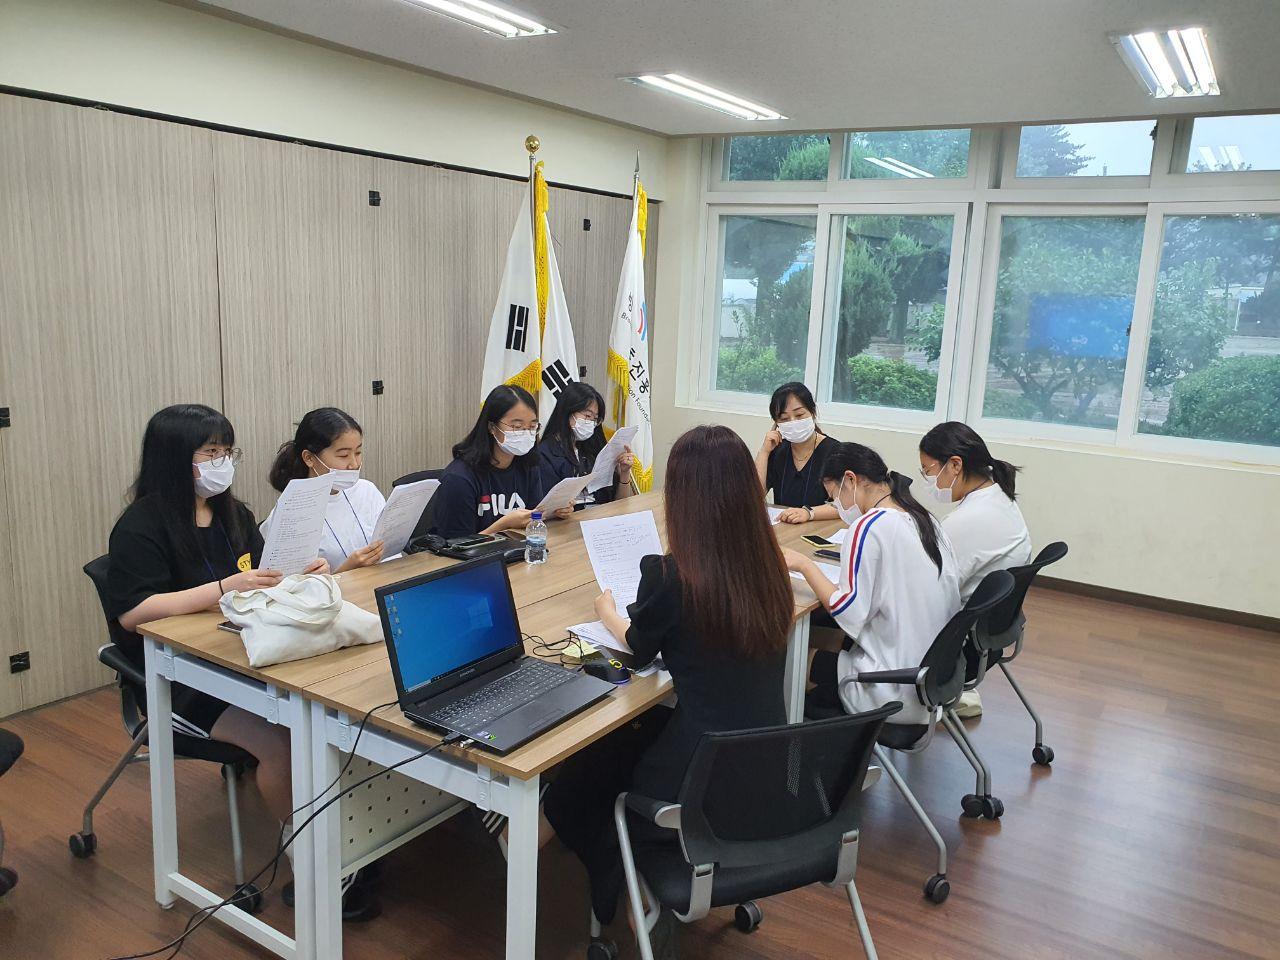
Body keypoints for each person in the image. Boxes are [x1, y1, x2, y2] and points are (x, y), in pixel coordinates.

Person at [544, 425, 794, 953]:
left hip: (695, 770)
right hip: (759, 760)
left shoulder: (674, 576)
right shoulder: (770, 566)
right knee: (628, 736)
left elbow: (638, 646)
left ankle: (623, 888)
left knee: (572, 789)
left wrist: (608, 615)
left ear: (683, 498)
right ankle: (635, 879)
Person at [106, 405, 324, 826]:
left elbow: (263, 574)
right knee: (282, 744)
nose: (223, 462)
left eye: (227, 451)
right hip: (175, 678)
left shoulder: (232, 513)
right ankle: (311, 864)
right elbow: (134, 613)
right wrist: (223, 589)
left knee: (321, 723)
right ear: (174, 458)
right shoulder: (142, 524)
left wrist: (300, 569)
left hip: (238, 655)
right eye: (210, 453)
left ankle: (339, 846)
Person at [784, 442, 960, 727]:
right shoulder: (922, 518)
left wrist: (803, 564)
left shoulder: (869, 527)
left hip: (888, 688)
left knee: (787, 658)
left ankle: (793, 757)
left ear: (851, 480)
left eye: (834, 497)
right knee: (813, 636)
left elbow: (847, 612)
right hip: (932, 681)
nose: (837, 506)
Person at [919, 421, 1031, 718]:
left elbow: (925, 588)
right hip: (985, 638)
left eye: (929, 471)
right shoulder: (999, 498)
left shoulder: (969, 519)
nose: (929, 481)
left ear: (955, 465)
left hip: (953, 650)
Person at [430, 385, 572, 540]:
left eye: (532, 427)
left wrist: (555, 511)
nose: (525, 433)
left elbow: (533, 519)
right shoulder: (459, 478)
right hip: (477, 561)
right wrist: (504, 524)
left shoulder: (528, 465)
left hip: (517, 553)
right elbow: (454, 547)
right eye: (517, 426)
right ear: (492, 426)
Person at [265, 407, 387, 573]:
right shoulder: (291, 513)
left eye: (358, 452)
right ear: (309, 458)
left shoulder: (367, 490)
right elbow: (290, 588)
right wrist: (348, 569)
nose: (354, 464)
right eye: (343, 455)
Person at [537, 381, 635, 508]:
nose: (591, 423)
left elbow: (620, 505)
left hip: (601, 520)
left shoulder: (593, 450)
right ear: (567, 412)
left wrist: (624, 473)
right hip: (568, 525)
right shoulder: (545, 453)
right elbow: (545, 509)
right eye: (587, 415)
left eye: (595, 419)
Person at [755, 382, 839, 523]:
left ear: (812, 413)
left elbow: (847, 506)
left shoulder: (834, 451)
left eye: (799, 415)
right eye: (784, 419)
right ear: (776, 423)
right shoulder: (778, 450)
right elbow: (754, 496)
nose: (793, 422)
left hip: (820, 529)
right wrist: (764, 452)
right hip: (784, 528)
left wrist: (808, 513)